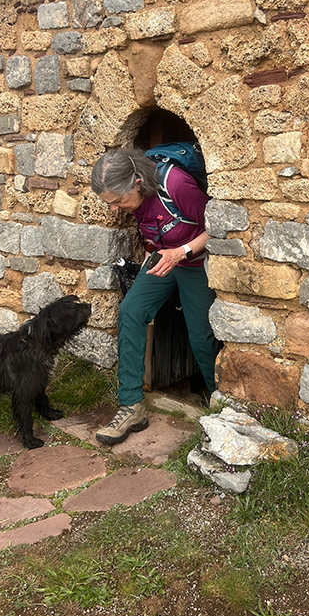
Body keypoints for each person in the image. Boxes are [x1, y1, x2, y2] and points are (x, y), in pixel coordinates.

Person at [91, 148, 220, 445]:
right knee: (131, 311)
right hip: (162, 260)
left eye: (118, 201)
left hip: (192, 262)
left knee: (200, 334)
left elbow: (216, 227)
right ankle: (132, 406)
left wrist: (181, 252)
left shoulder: (175, 184)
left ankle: (220, 399)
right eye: (109, 203)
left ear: (137, 181)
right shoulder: (130, 198)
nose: (115, 209)